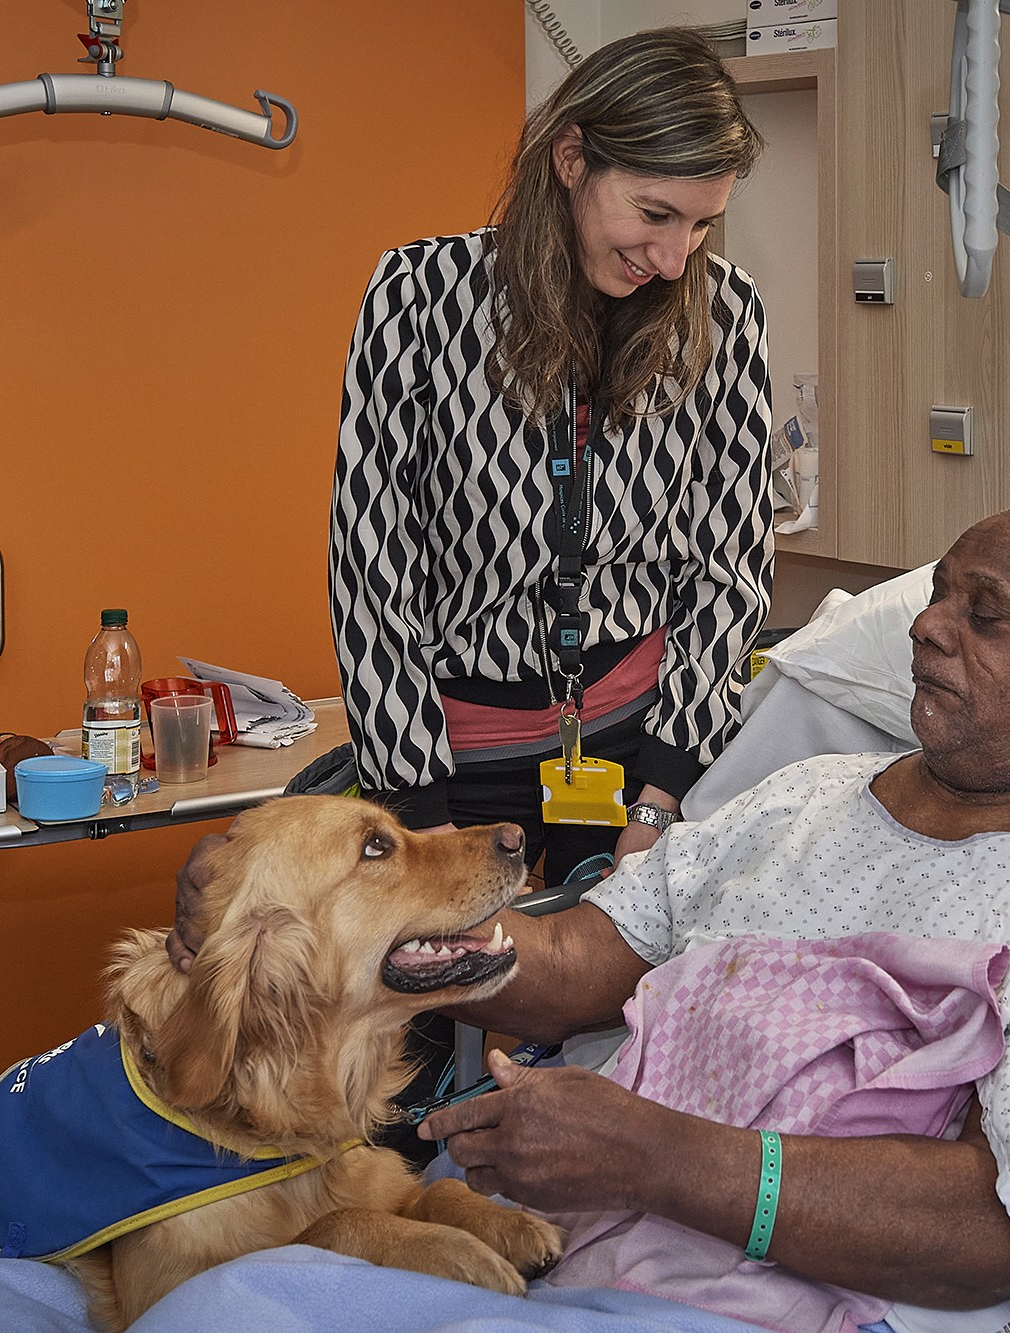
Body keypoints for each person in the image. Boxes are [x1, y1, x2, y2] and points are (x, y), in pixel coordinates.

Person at [174, 509, 1010, 1333]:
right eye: (934, 596)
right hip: (566, 1255)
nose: (928, 625)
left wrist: (653, 1156)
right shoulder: (809, 798)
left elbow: (1008, 1233)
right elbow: (583, 954)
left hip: (779, 1308)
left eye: (981, 612)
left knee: (224, 1311)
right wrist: (323, 925)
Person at [330, 26, 772, 887]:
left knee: (615, 1019)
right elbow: (371, 571)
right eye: (654, 214)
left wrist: (660, 800)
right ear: (572, 159)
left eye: (702, 225)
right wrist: (421, 827)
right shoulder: (416, 302)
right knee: (438, 1017)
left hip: (642, 753)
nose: (676, 256)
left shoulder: (723, 315)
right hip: (453, 763)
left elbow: (732, 567)